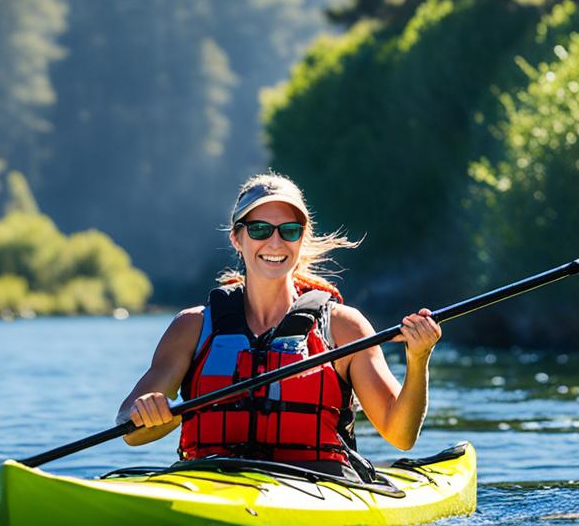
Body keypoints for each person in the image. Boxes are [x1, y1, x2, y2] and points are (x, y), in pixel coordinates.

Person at [117, 173, 442, 480]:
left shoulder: (344, 328)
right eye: (259, 229)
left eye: (289, 230)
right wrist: (152, 414)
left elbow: (400, 435)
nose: (275, 242)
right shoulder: (192, 327)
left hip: (316, 487)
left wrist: (418, 360)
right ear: (237, 238)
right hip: (209, 481)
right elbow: (129, 428)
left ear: (302, 238)